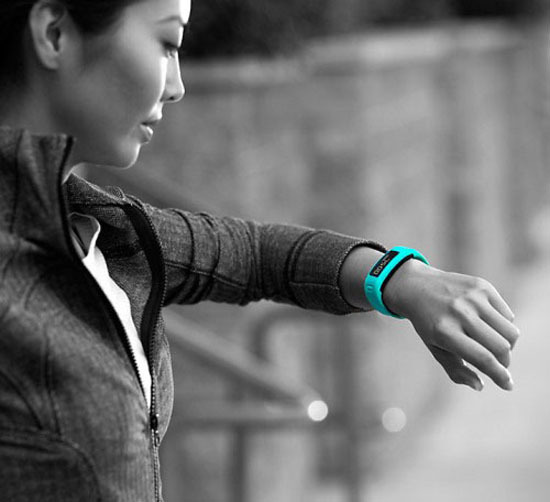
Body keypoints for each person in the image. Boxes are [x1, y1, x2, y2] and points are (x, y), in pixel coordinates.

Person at [0, 0, 520, 500]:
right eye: (167, 43)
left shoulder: (104, 226)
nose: (177, 86)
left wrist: (400, 279)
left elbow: (255, 254)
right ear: (54, 35)